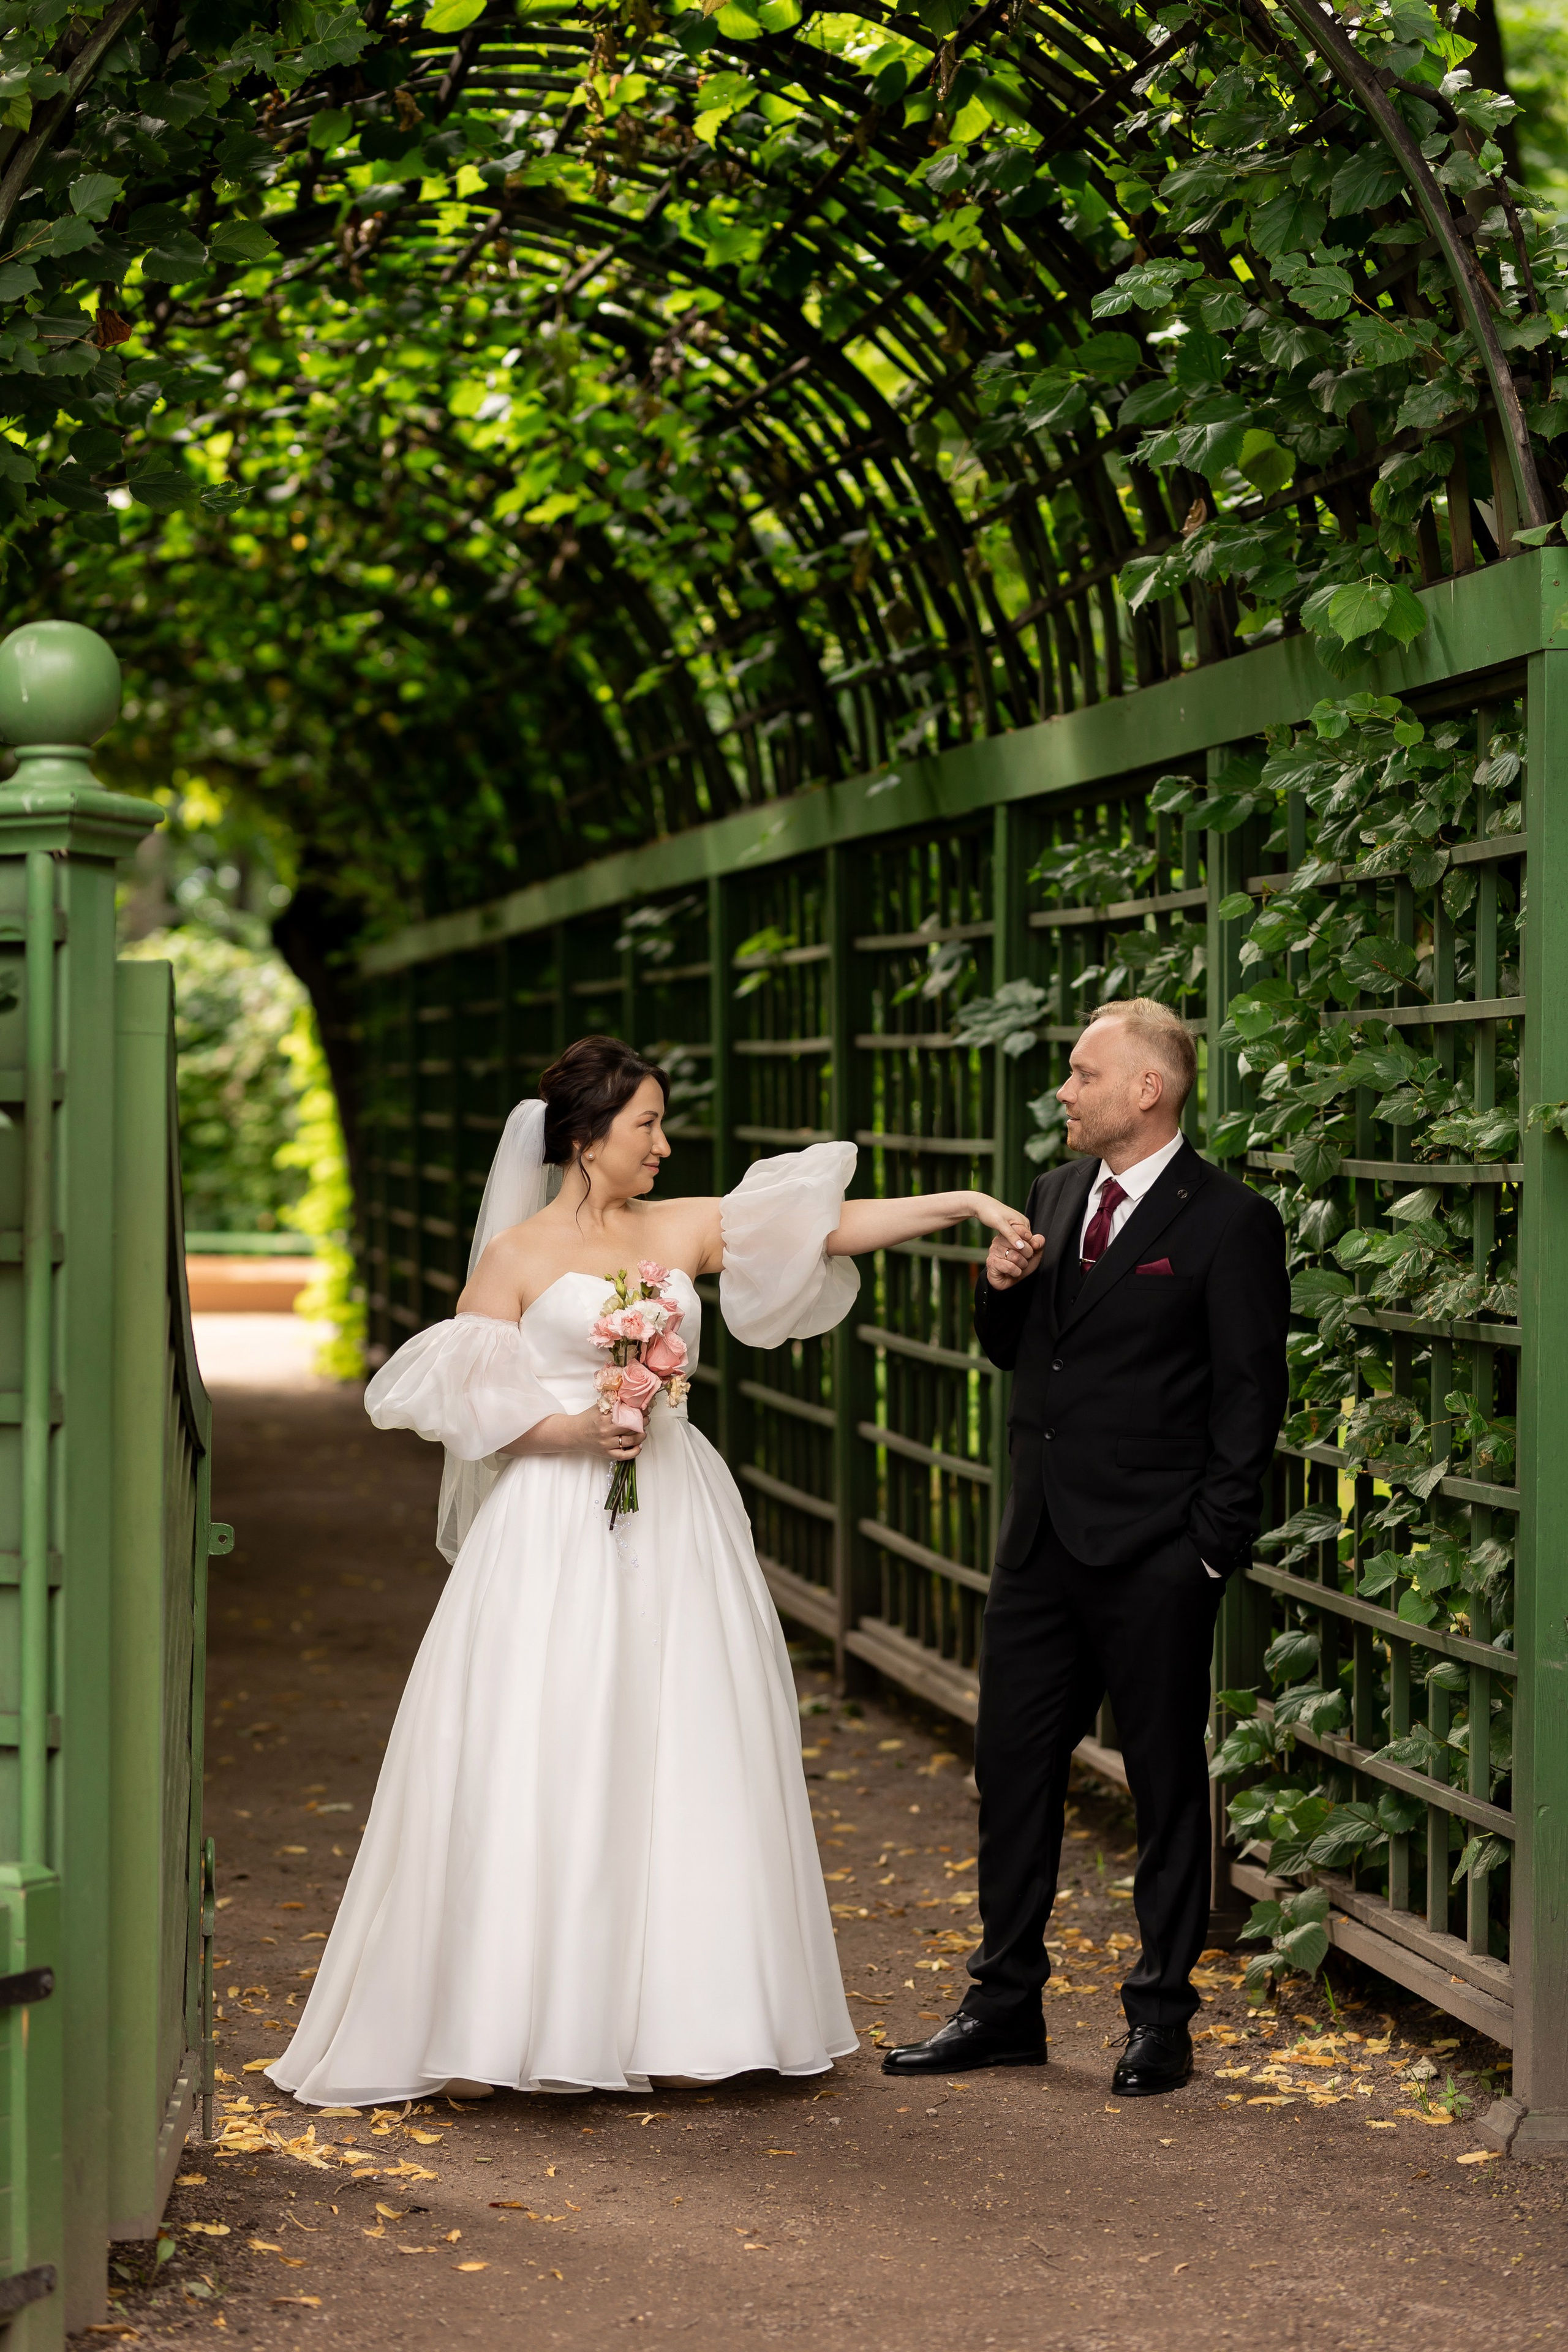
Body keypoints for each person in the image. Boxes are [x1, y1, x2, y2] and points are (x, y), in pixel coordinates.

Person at [269, 1034, 1035, 2105]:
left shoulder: (679, 1227)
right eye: (647, 1126)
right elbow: (472, 1414)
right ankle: (504, 2020)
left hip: (677, 1514)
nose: (665, 1146)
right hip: (552, 1530)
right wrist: (573, 1428)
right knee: (552, 1737)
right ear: (586, 1141)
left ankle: (691, 2019)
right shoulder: (519, 1257)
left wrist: (960, 1205)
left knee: (690, 1736)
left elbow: (825, 1224)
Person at [881, 997, 1289, 2098]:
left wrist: (1208, 1550)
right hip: (1039, 1546)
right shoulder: (1055, 1194)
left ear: (1146, 1090)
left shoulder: (1229, 1222)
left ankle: (1162, 2017)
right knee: (1010, 1774)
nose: (1064, 1091)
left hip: (1158, 1555)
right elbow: (1025, 1358)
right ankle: (1002, 2003)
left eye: (1081, 1074)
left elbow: (1251, 1400)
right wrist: (999, 1289)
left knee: (1162, 1783)